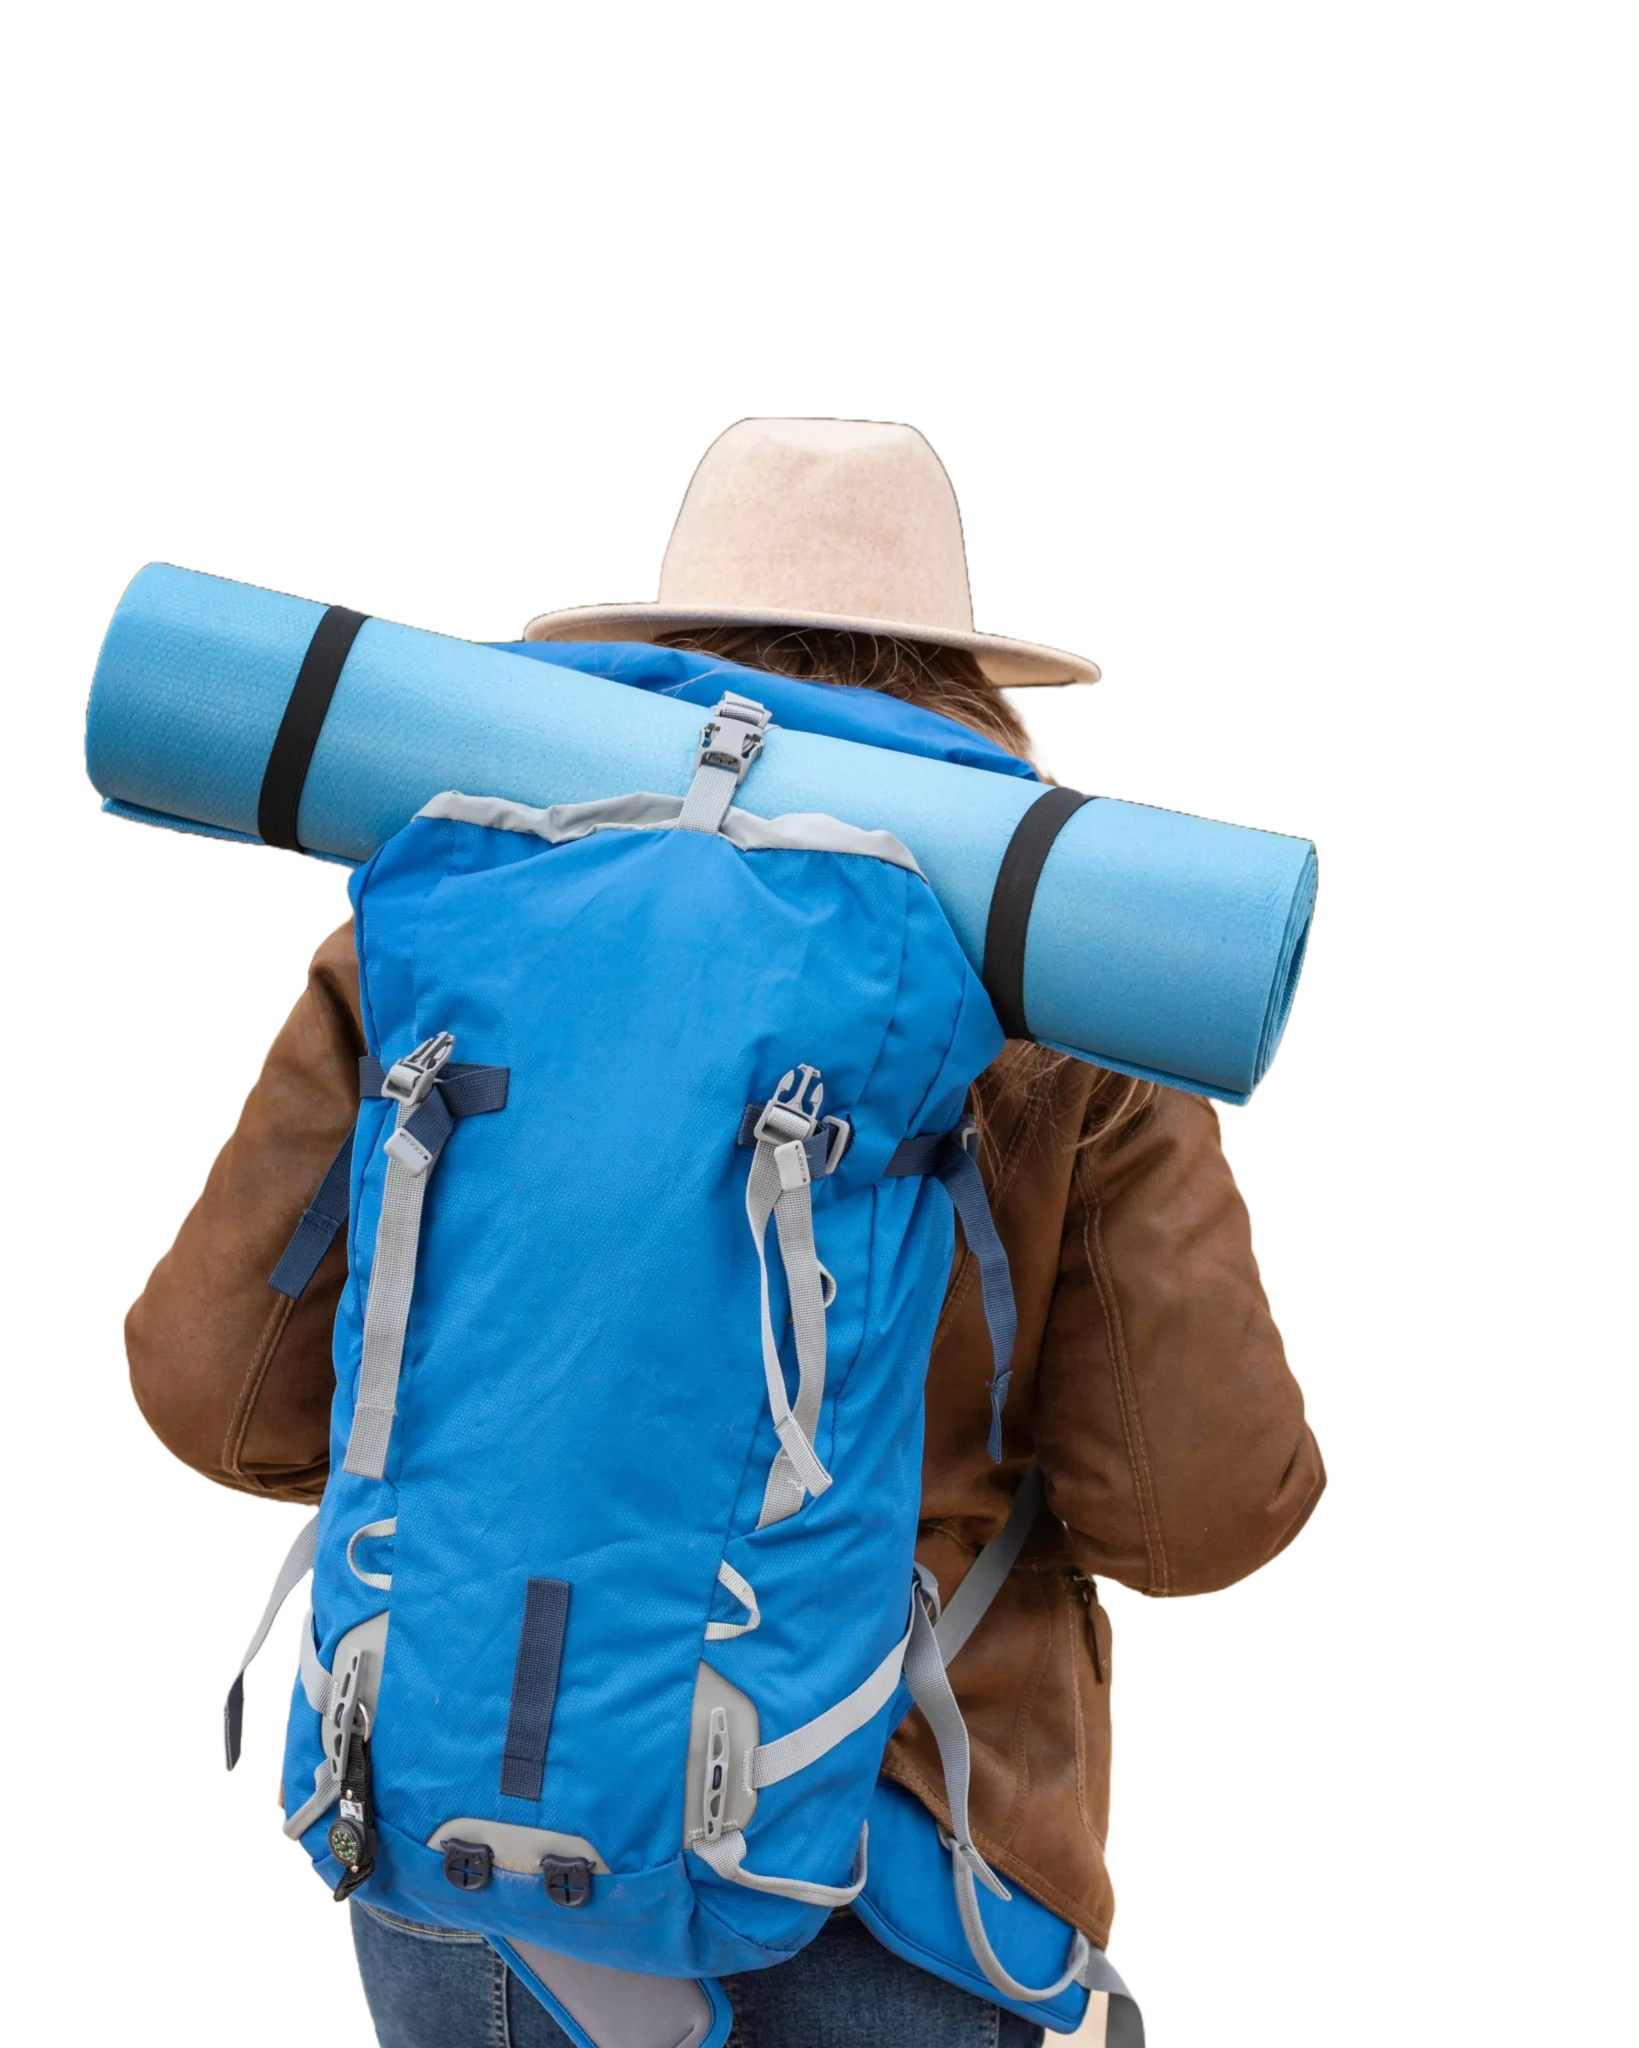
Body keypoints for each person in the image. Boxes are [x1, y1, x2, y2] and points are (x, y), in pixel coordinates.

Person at [121, 417, 1330, 2048]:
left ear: (661, 638)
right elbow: (1195, 1519)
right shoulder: (1069, 974)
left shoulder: (462, 908)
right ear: (967, 667)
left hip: (460, 1823)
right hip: (886, 1854)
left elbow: (215, 1395)